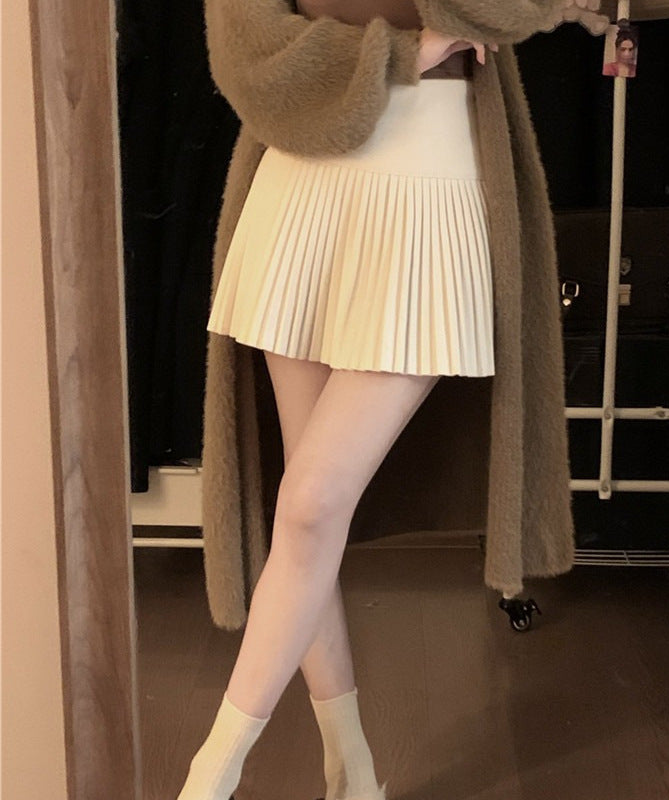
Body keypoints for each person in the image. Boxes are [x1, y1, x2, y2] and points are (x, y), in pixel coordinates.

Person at [174, 3, 503, 799]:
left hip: (428, 183)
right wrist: (402, 52)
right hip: (300, 182)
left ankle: (210, 775)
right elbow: (245, 51)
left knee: (312, 502)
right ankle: (353, 772)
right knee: (307, 510)